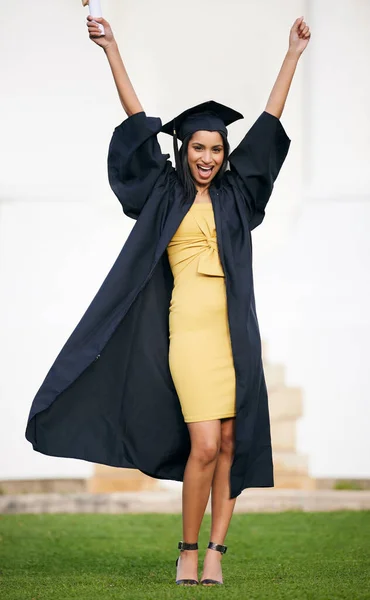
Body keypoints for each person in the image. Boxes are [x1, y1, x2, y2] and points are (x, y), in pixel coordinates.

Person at [25, 12, 310, 588]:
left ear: (226, 155)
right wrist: (111, 50)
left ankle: (216, 554)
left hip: (235, 330)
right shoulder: (165, 191)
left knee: (232, 440)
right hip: (189, 333)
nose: (207, 157)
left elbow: (270, 125)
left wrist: (292, 57)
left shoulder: (236, 198)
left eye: (217, 149)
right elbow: (135, 120)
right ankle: (186, 546)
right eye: (198, 147)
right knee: (204, 443)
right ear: (183, 149)